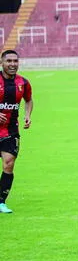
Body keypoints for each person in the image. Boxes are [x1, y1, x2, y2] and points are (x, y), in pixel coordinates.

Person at [0, 50, 33, 214]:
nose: (12, 64)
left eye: (15, 61)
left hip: (10, 131)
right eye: (9, 61)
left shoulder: (23, 83)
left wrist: (27, 115)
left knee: (9, 163)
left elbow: (28, 100)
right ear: (2, 63)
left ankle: (1, 202)